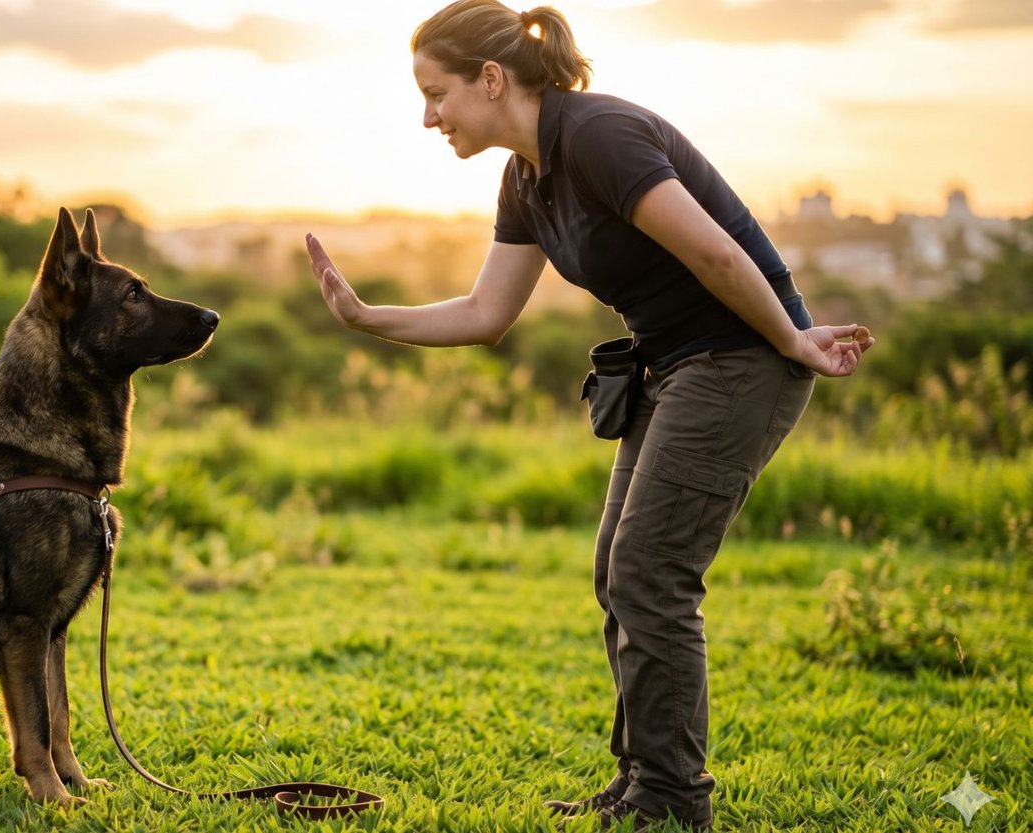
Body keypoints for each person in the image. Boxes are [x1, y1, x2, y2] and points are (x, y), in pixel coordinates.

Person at [305, 1, 875, 830]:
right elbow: (486, 313)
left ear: (490, 79)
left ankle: (673, 798)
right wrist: (366, 318)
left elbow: (715, 250)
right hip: (670, 366)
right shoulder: (525, 178)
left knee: (650, 569)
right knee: (618, 567)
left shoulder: (599, 136)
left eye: (436, 95)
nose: (428, 118)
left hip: (742, 359)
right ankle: (642, 779)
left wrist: (792, 338)